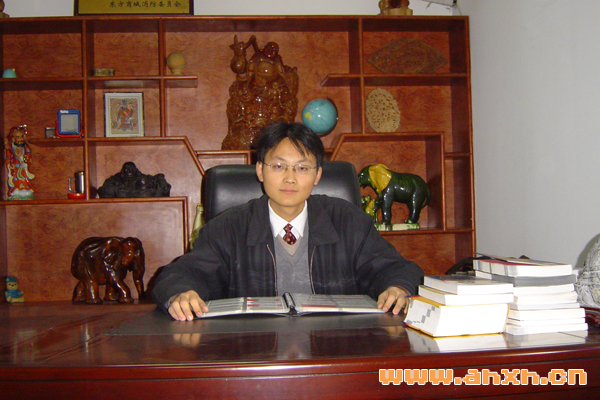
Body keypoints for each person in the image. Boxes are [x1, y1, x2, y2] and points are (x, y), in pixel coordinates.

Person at [152, 122, 424, 321]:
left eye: (302, 168)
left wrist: (397, 287)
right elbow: (180, 274)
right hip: (254, 353)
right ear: (260, 170)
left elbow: (397, 268)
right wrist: (181, 293)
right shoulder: (228, 227)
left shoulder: (348, 221)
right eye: (279, 166)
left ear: (317, 175)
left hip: (337, 346)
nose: (290, 178)